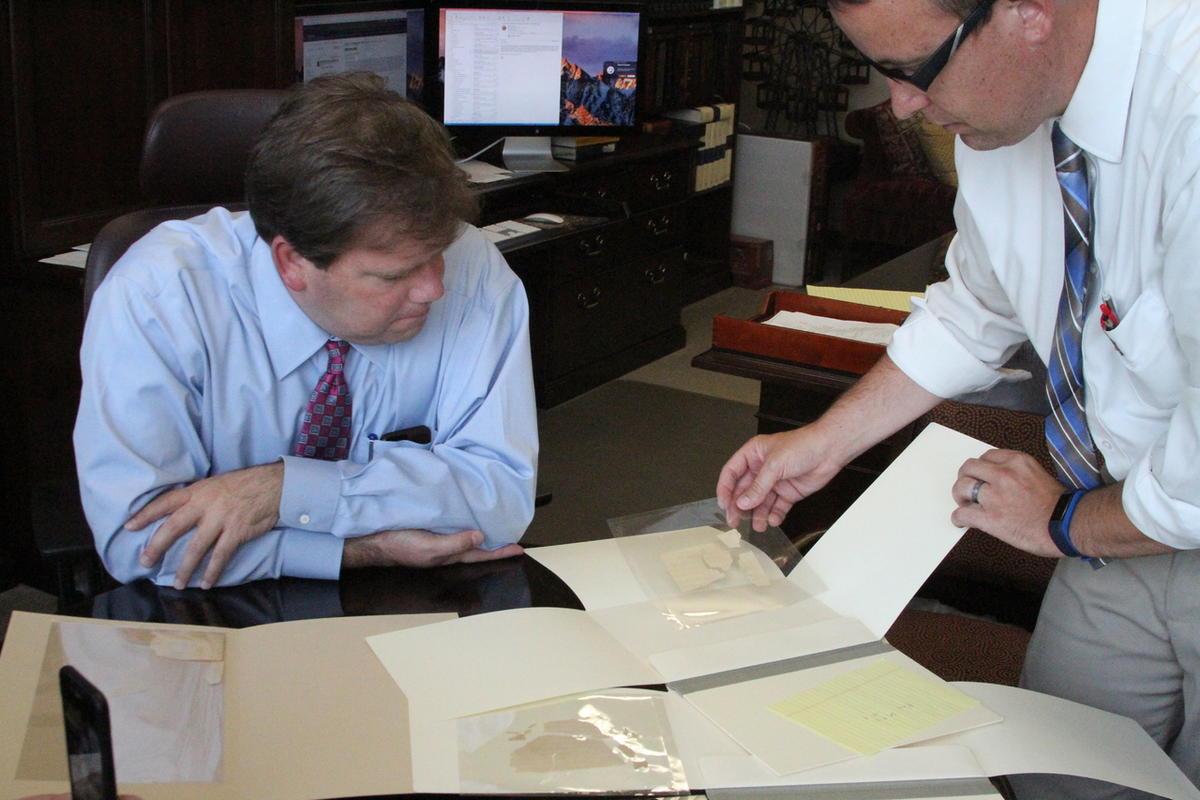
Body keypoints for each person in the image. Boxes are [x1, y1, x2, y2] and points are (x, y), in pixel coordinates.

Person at [717, 0, 1199, 796]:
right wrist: (827, 440)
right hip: (1118, 520)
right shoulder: (1004, 117)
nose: (902, 106)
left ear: (1027, 12)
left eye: (917, 71)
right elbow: (973, 309)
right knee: (1056, 773)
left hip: (1123, 512)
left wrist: (1059, 522)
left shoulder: (1181, 106)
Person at [74, 73, 538, 591]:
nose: (433, 288)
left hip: (414, 600)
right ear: (292, 263)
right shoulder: (160, 295)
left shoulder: (472, 266)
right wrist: (358, 549)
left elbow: (500, 502)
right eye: (394, 275)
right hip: (209, 613)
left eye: (436, 257)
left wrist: (283, 490)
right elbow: (140, 545)